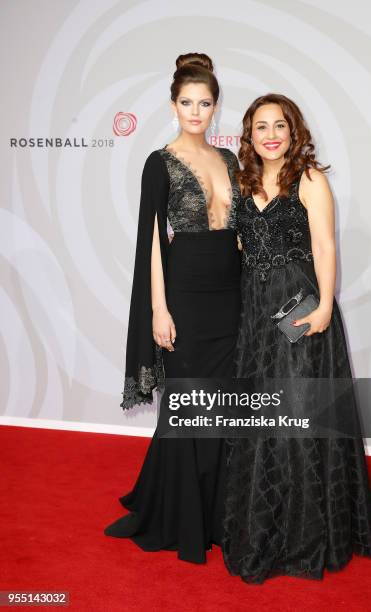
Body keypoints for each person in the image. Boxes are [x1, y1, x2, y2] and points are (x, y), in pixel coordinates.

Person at [222, 93, 371, 584]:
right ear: (248, 135)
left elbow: (325, 245)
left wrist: (327, 306)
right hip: (253, 310)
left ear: (294, 132)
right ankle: (261, 530)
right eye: (261, 127)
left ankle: (305, 535)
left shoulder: (310, 179)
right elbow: (239, 246)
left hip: (298, 307)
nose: (270, 135)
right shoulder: (241, 181)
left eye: (280, 126)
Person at [104, 53, 242, 564]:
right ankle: (177, 514)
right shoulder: (158, 162)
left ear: (215, 107)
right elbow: (152, 243)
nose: (196, 111)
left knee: (224, 409)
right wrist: (159, 309)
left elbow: (243, 233)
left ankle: (217, 515)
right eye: (187, 102)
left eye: (205, 103)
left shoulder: (230, 161)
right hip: (182, 290)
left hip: (230, 295)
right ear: (173, 104)